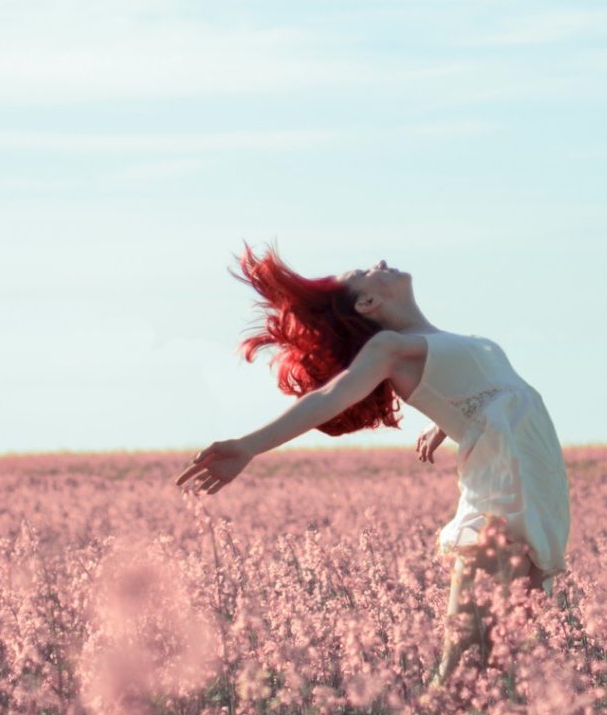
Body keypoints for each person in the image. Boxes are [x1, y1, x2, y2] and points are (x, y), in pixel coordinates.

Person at [175, 244, 571, 686]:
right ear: (368, 303)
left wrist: (450, 423)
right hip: (506, 491)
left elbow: (492, 397)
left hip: (539, 486)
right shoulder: (391, 347)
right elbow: (332, 395)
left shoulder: (445, 342)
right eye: (365, 271)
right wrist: (250, 446)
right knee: (465, 667)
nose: (378, 262)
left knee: (500, 665)